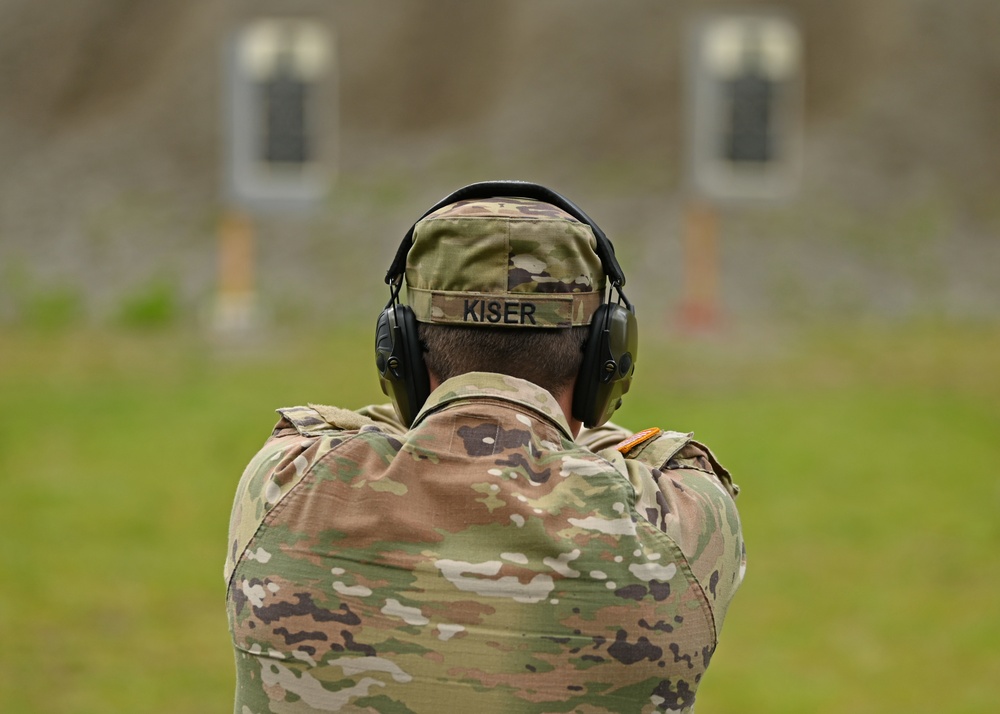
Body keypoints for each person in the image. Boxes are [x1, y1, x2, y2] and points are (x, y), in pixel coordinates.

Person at [225, 180, 745, 713]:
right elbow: (614, 450)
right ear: (604, 362)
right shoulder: (682, 521)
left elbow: (372, 429)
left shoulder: (286, 483)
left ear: (398, 354)